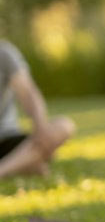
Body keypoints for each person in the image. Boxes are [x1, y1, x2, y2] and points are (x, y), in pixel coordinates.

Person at [0, 40, 75, 179]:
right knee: (38, 164)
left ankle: (6, 168)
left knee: (63, 126)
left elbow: (28, 93)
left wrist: (40, 128)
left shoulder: (4, 53)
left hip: (7, 139)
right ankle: (28, 162)